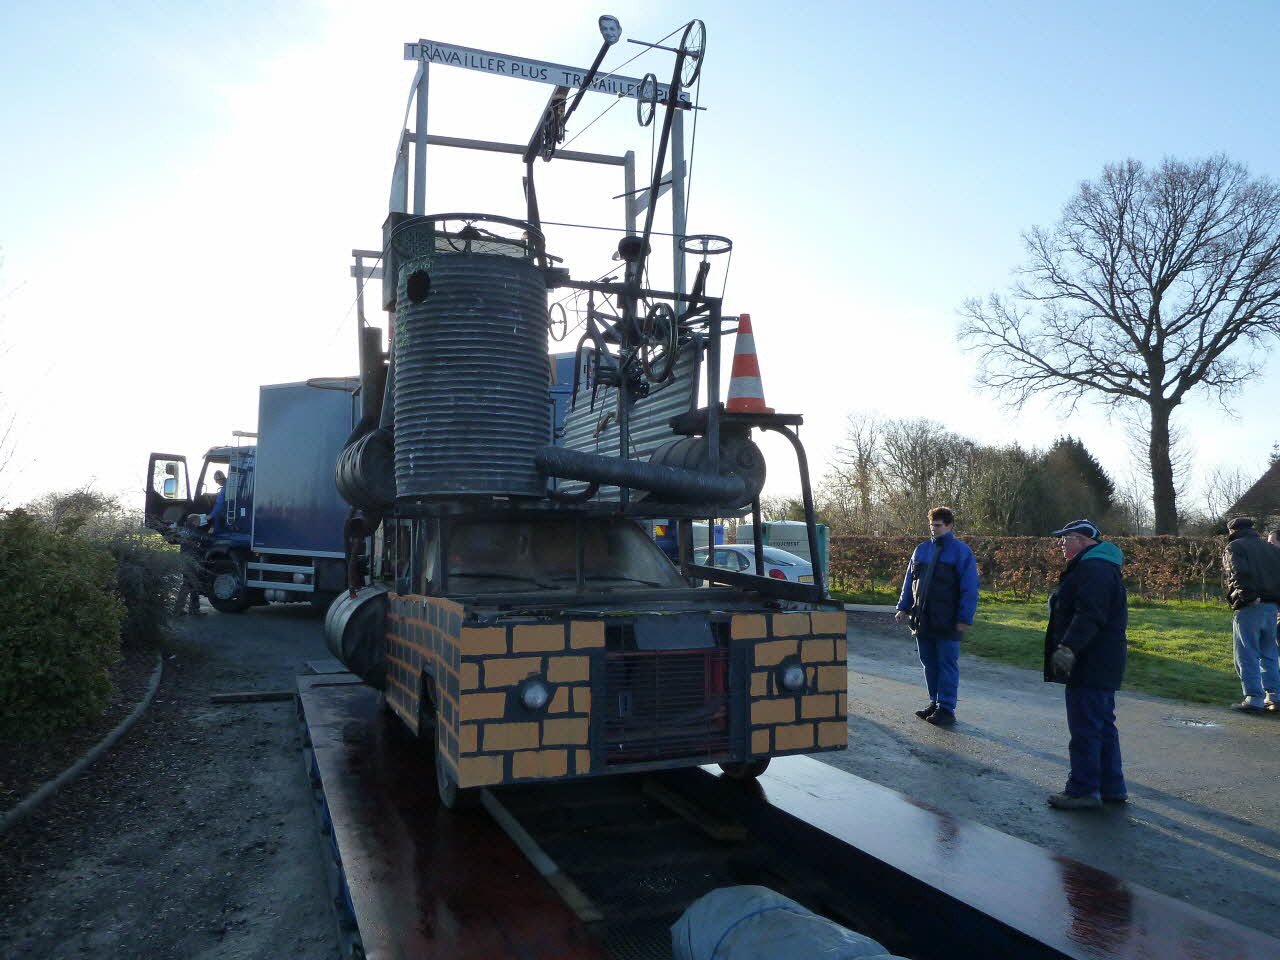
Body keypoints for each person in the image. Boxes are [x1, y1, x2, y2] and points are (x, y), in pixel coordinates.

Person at [1043, 519, 1127, 811]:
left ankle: (1083, 790)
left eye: (1066, 538)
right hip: (1101, 660)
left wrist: (1068, 647)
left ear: (1081, 540)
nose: (1061, 543)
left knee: (1085, 728)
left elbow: (1089, 614)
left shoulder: (1093, 569)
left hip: (1090, 661)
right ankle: (1111, 787)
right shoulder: (1099, 567)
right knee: (1102, 725)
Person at [895, 506, 979, 727]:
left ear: (950, 525)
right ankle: (935, 702)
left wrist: (964, 618)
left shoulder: (961, 552)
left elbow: (970, 587)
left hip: (948, 619)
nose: (934, 529)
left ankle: (947, 708)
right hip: (923, 617)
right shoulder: (921, 550)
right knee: (929, 662)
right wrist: (903, 607)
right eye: (932, 525)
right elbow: (909, 581)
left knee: (947, 663)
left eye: (938, 525)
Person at [1221, 517, 1280, 714]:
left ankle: (1253, 698)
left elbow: (1238, 572)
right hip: (1272, 606)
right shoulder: (1271, 548)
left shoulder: (1235, 547)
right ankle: (1274, 696)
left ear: (1232, 530)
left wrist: (1247, 596)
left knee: (1247, 653)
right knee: (1269, 652)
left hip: (1249, 606)